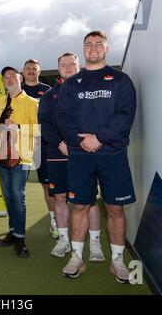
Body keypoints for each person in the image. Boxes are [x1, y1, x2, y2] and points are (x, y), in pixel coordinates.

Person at [57, 31, 136, 283]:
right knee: (79, 205)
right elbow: (63, 118)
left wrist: (99, 138)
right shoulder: (71, 84)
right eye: (88, 44)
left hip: (112, 153)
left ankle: (117, 261)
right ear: (83, 49)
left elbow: (125, 114)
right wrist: (82, 141)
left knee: (115, 207)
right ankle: (77, 257)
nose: (93, 48)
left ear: (106, 48)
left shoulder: (121, 80)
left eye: (98, 44)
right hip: (81, 155)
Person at [38, 53, 105, 261]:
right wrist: (60, 143)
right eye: (63, 64)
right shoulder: (50, 96)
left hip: (85, 152)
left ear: (79, 65)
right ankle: (63, 240)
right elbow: (45, 125)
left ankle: (95, 243)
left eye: (71, 64)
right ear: (58, 68)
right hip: (58, 154)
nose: (67, 67)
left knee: (89, 199)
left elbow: (98, 119)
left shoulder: (92, 89)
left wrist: (82, 142)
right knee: (59, 197)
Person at [0, 66, 39, 257]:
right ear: (3, 82)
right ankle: (12, 231)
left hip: (21, 156)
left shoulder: (32, 102)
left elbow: (38, 130)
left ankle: (20, 238)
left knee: (18, 196)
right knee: (9, 197)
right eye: (5, 77)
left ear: (20, 79)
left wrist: (18, 127)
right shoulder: (0, 101)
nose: (9, 79)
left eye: (12, 76)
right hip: (2, 156)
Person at [20, 59, 56, 238]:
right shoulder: (16, 90)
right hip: (20, 144)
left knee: (47, 184)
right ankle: (16, 227)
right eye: (28, 69)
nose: (31, 71)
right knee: (17, 186)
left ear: (39, 71)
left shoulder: (48, 90)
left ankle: (54, 221)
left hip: (43, 143)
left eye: (34, 69)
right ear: (23, 71)